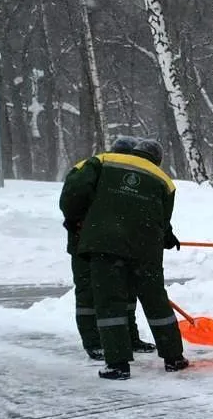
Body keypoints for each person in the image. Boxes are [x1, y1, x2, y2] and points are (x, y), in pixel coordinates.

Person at [58, 137, 188, 379]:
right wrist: (167, 237)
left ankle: (118, 365)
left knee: (110, 301)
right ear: (156, 159)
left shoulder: (102, 162)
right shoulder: (164, 180)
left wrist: (77, 220)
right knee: (156, 299)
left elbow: (74, 191)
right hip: (145, 247)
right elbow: (161, 217)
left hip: (106, 244)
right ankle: (174, 358)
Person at [64, 137, 158, 361]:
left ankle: (129, 339)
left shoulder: (122, 174)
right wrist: (79, 222)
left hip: (119, 244)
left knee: (124, 293)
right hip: (85, 244)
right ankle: (94, 342)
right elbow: (72, 199)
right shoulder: (93, 168)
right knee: (90, 293)